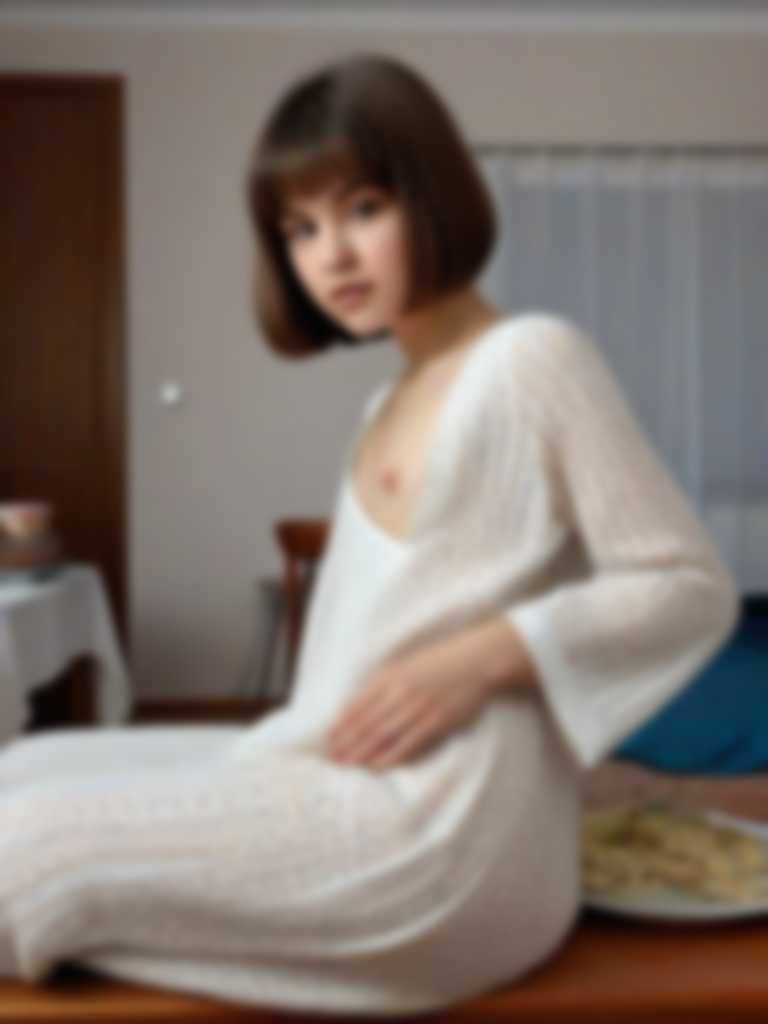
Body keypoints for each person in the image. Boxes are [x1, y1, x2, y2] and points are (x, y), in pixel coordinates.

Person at [0, 52, 739, 1016]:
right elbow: (346, 667)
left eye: (362, 209)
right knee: (23, 767)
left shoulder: (534, 360)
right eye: (300, 229)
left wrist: (483, 657)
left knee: (21, 852)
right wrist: (262, 766)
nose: (332, 257)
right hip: (349, 776)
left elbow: (687, 584)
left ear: (431, 196)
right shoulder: (382, 407)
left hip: (445, 839)